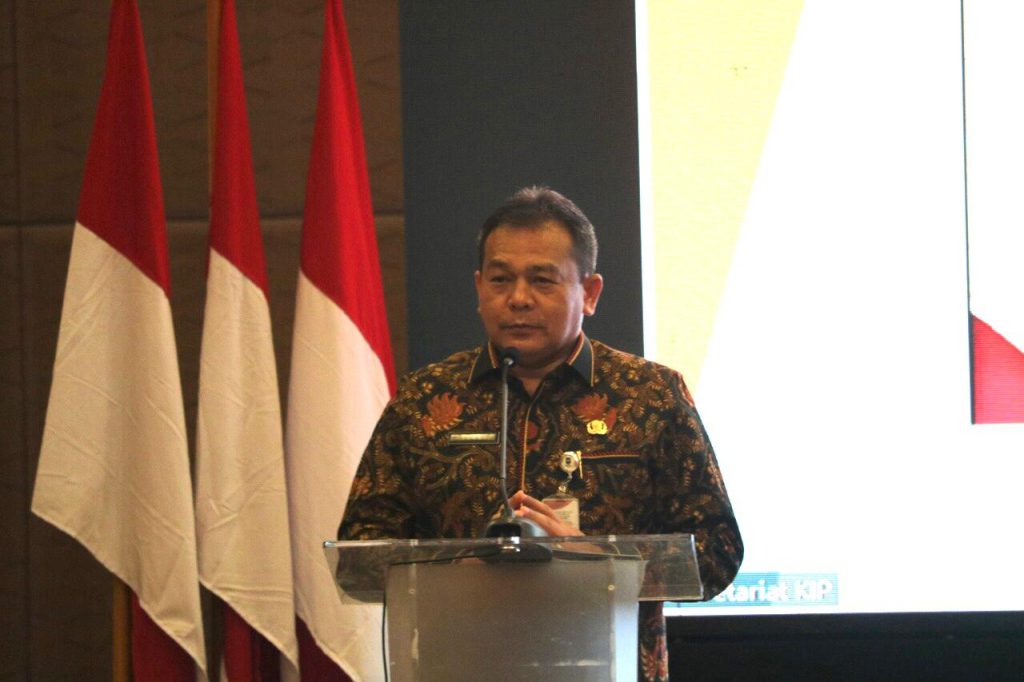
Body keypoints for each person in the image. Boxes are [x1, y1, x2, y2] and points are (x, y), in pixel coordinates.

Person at [338, 186, 742, 681]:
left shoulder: (651, 395)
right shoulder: (424, 398)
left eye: (542, 280)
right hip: (458, 666)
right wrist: (455, 567)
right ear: (478, 287)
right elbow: (361, 549)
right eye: (500, 279)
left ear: (589, 293)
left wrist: (599, 559)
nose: (518, 299)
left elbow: (718, 552)